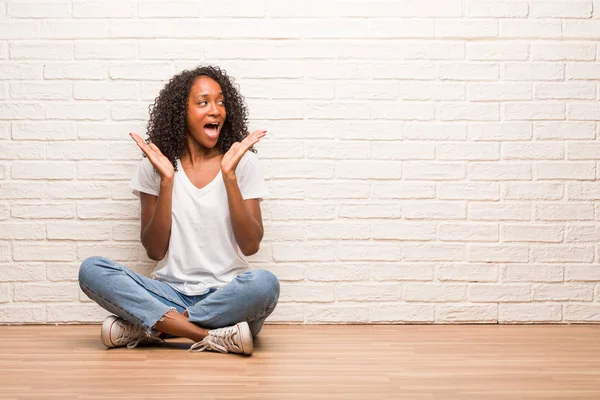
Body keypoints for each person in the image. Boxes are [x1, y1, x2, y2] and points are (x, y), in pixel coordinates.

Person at [78, 66, 280, 356]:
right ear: (180, 112)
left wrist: (230, 178)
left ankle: (155, 326)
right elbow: (155, 251)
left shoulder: (242, 164)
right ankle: (209, 335)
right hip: (168, 293)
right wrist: (167, 182)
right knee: (92, 269)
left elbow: (250, 246)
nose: (215, 111)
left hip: (226, 296)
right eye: (203, 102)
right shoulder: (156, 166)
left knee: (264, 285)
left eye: (221, 102)